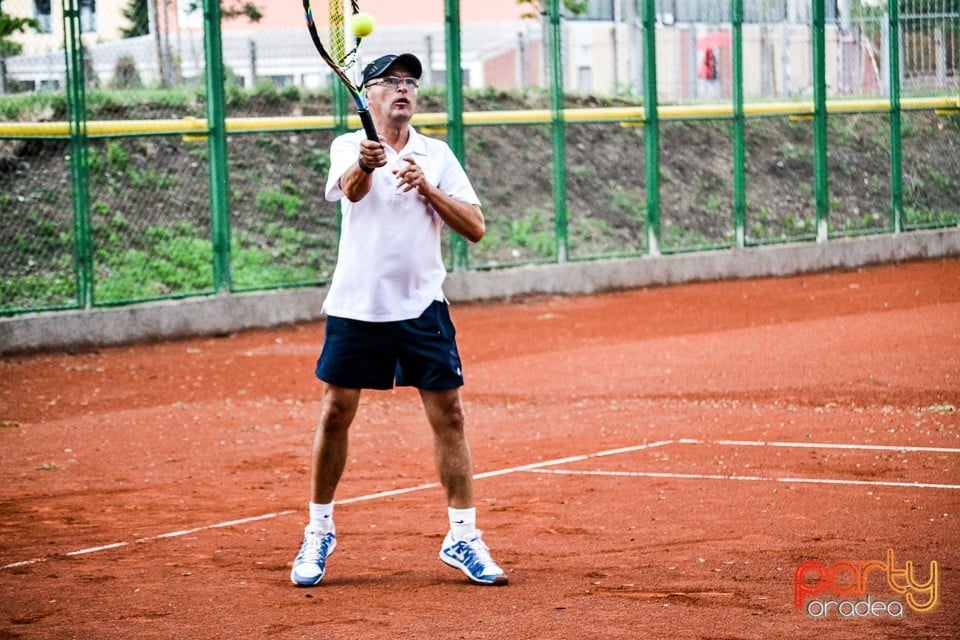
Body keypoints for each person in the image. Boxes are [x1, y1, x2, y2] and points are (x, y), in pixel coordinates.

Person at [290, 53, 508, 587]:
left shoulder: (436, 154)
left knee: (450, 416)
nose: (404, 89)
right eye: (391, 81)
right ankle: (318, 530)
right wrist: (368, 163)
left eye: (410, 81)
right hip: (357, 305)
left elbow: (476, 227)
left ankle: (463, 537)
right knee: (336, 412)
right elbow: (353, 190)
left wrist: (428, 189)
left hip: (423, 305)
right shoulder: (349, 146)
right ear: (368, 96)